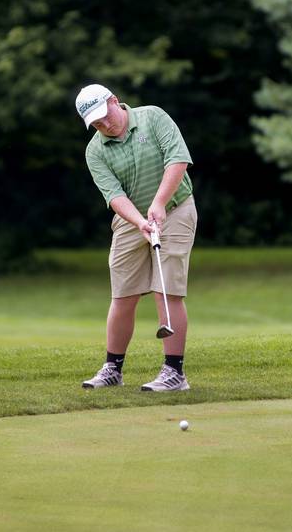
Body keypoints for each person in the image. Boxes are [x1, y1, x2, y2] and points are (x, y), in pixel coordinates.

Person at [75, 84, 197, 392]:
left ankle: (174, 373)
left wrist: (157, 204)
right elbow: (115, 196)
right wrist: (141, 220)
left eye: (105, 116)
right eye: (96, 123)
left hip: (175, 208)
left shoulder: (153, 118)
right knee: (123, 294)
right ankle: (113, 368)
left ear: (115, 101)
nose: (104, 125)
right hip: (131, 219)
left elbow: (178, 161)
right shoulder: (95, 150)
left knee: (165, 291)